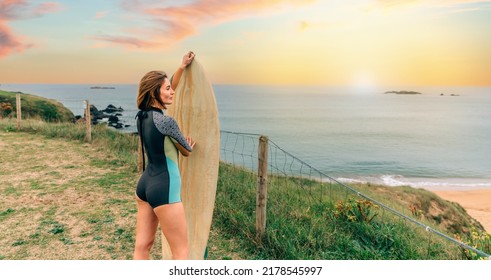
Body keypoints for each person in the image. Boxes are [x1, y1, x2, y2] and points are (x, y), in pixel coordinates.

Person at [133, 51, 196, 260]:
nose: (172, 92)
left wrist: (181, 67)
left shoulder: (141, 117)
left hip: (145, 185)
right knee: (181, 252)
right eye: (167, 89)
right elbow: (187, 152)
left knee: (142, 247)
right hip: (165, 187)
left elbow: (169, 91)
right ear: (155, 93)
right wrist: (187, 145)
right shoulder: (167, 122)